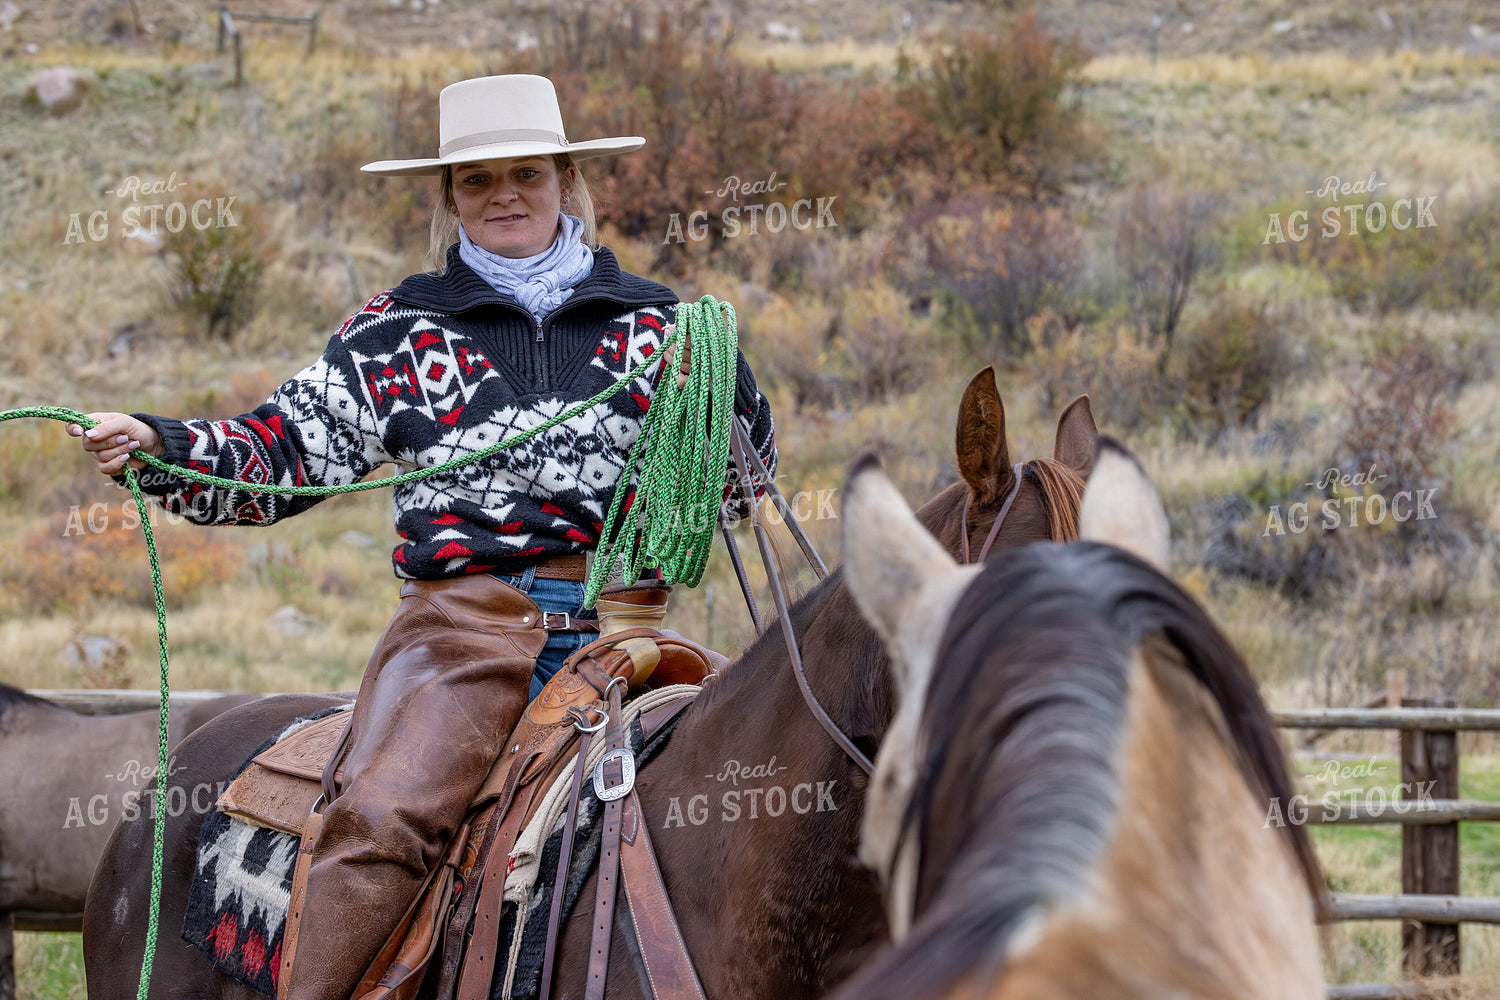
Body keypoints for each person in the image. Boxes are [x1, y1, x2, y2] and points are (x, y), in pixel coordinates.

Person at [66, 74, 777, 1000]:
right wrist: (160, 446)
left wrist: (723, 390)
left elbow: (740, 489)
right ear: (451, 196)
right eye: (477, 180)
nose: (505, 195)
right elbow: (278, 454)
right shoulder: (394, 333)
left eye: (527, 173)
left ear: (566, 180)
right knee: (383, 821)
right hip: (462, 634)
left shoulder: (665, 326)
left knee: (760, 787)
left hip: (628, 632)